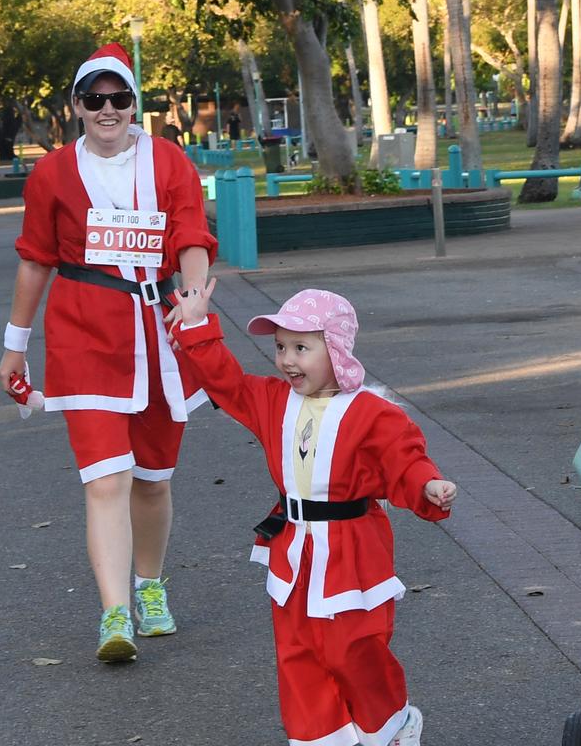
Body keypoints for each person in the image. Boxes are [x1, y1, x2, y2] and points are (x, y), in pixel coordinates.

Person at [0, 43, 216, 663]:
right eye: (95, 100)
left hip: (160, 334)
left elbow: (191, 237)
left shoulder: (170, 162)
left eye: (119, 98)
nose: (108, 109)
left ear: (134, 104)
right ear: (77, 107)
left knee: (151, 480)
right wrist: (15, 346)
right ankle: (113, 613)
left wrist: (194, 296)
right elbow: (37, 258)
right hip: (84, 334)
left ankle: (150, 586)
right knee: (105, 479)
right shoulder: (53, 175)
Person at [170, 284, 457, 746]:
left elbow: (405, 459)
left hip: (352, 550)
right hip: (292, 548)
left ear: (337, 349)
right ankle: (320, 738)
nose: (287, 360)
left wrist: (428, 486)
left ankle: (392, 724)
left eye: (302, 347)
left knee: (354, 651)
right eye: (281, 347)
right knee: (297, 655)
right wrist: (198, 326)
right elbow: (225, 382)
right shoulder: (272, 399)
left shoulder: (373, 414)